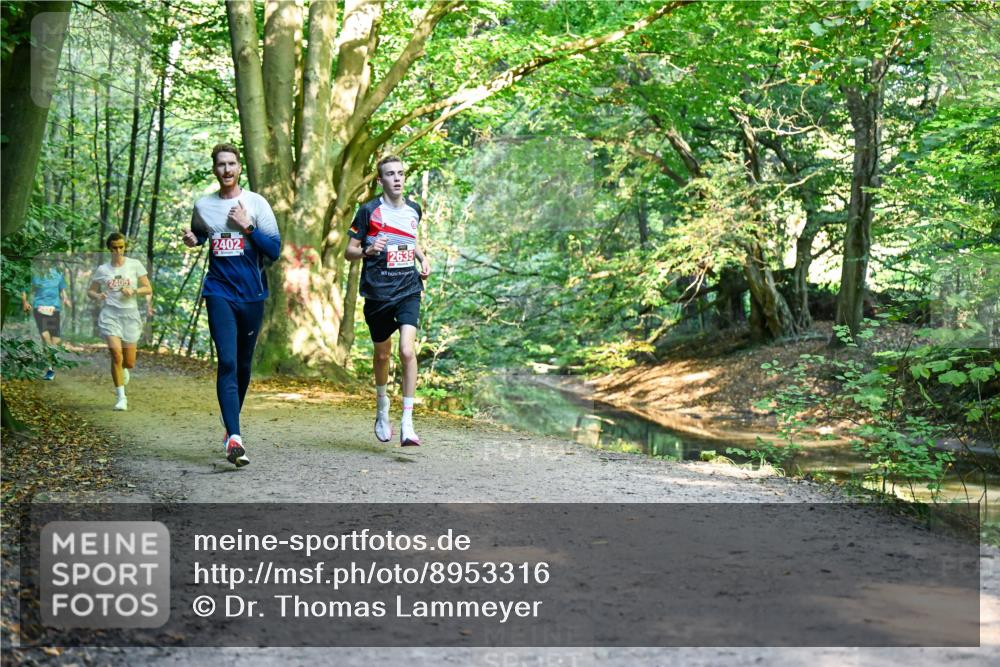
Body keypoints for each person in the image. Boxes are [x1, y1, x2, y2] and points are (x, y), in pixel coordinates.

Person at [183, 143, 281, 467]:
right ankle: (235, 438)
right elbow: (201, 235)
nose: (226, 169)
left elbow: (274, 250)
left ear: (239, 168)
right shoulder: (204, 205)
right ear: (215, 169)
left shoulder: (256, 203)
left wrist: (247, 226)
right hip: (219, 291)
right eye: (221, 164)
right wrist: (194, 240)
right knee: (226, 360)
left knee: (242, 366)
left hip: (252, 295)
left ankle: (230, 427)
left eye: (231, 164)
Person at [345, 155, 431, 447]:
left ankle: (408, 421)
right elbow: (349, 251)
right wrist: (367, 250)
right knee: (382, 355)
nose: (397, 178)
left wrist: (422, 259)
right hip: (378, 293)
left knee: (407, 350)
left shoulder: (414, 209)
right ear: (381, 180)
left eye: (400, 173)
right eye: (390, 174)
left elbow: (409, 238)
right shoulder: (368, 211)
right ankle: (382, 407)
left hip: (408, 288)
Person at [87, 233, 152, 411]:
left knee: (129, 362)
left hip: (130, 316)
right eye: (114, 247)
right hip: (110, 315)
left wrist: (134, 291)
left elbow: (148, 289)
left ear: (125, 247)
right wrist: (97, 296)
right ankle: (121, 397)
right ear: (109, 248)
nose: (118, 250)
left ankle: (123, 370)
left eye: (121, 247)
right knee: (116, 354)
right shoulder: (103, 270)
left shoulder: (134, 264)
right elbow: (90, 291)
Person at [21, 258, 72, 380]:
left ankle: (51, 363)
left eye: (47, 260)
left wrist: (65, 299)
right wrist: (25, 302)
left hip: (54, 310)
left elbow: (62, 290)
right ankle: (50, 368)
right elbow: (24, 288)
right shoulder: (35, 275)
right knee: (45, 337)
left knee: (55, 340)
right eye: (42, 260)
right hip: (40, 308)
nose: (45, 262)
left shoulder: (58, 274)